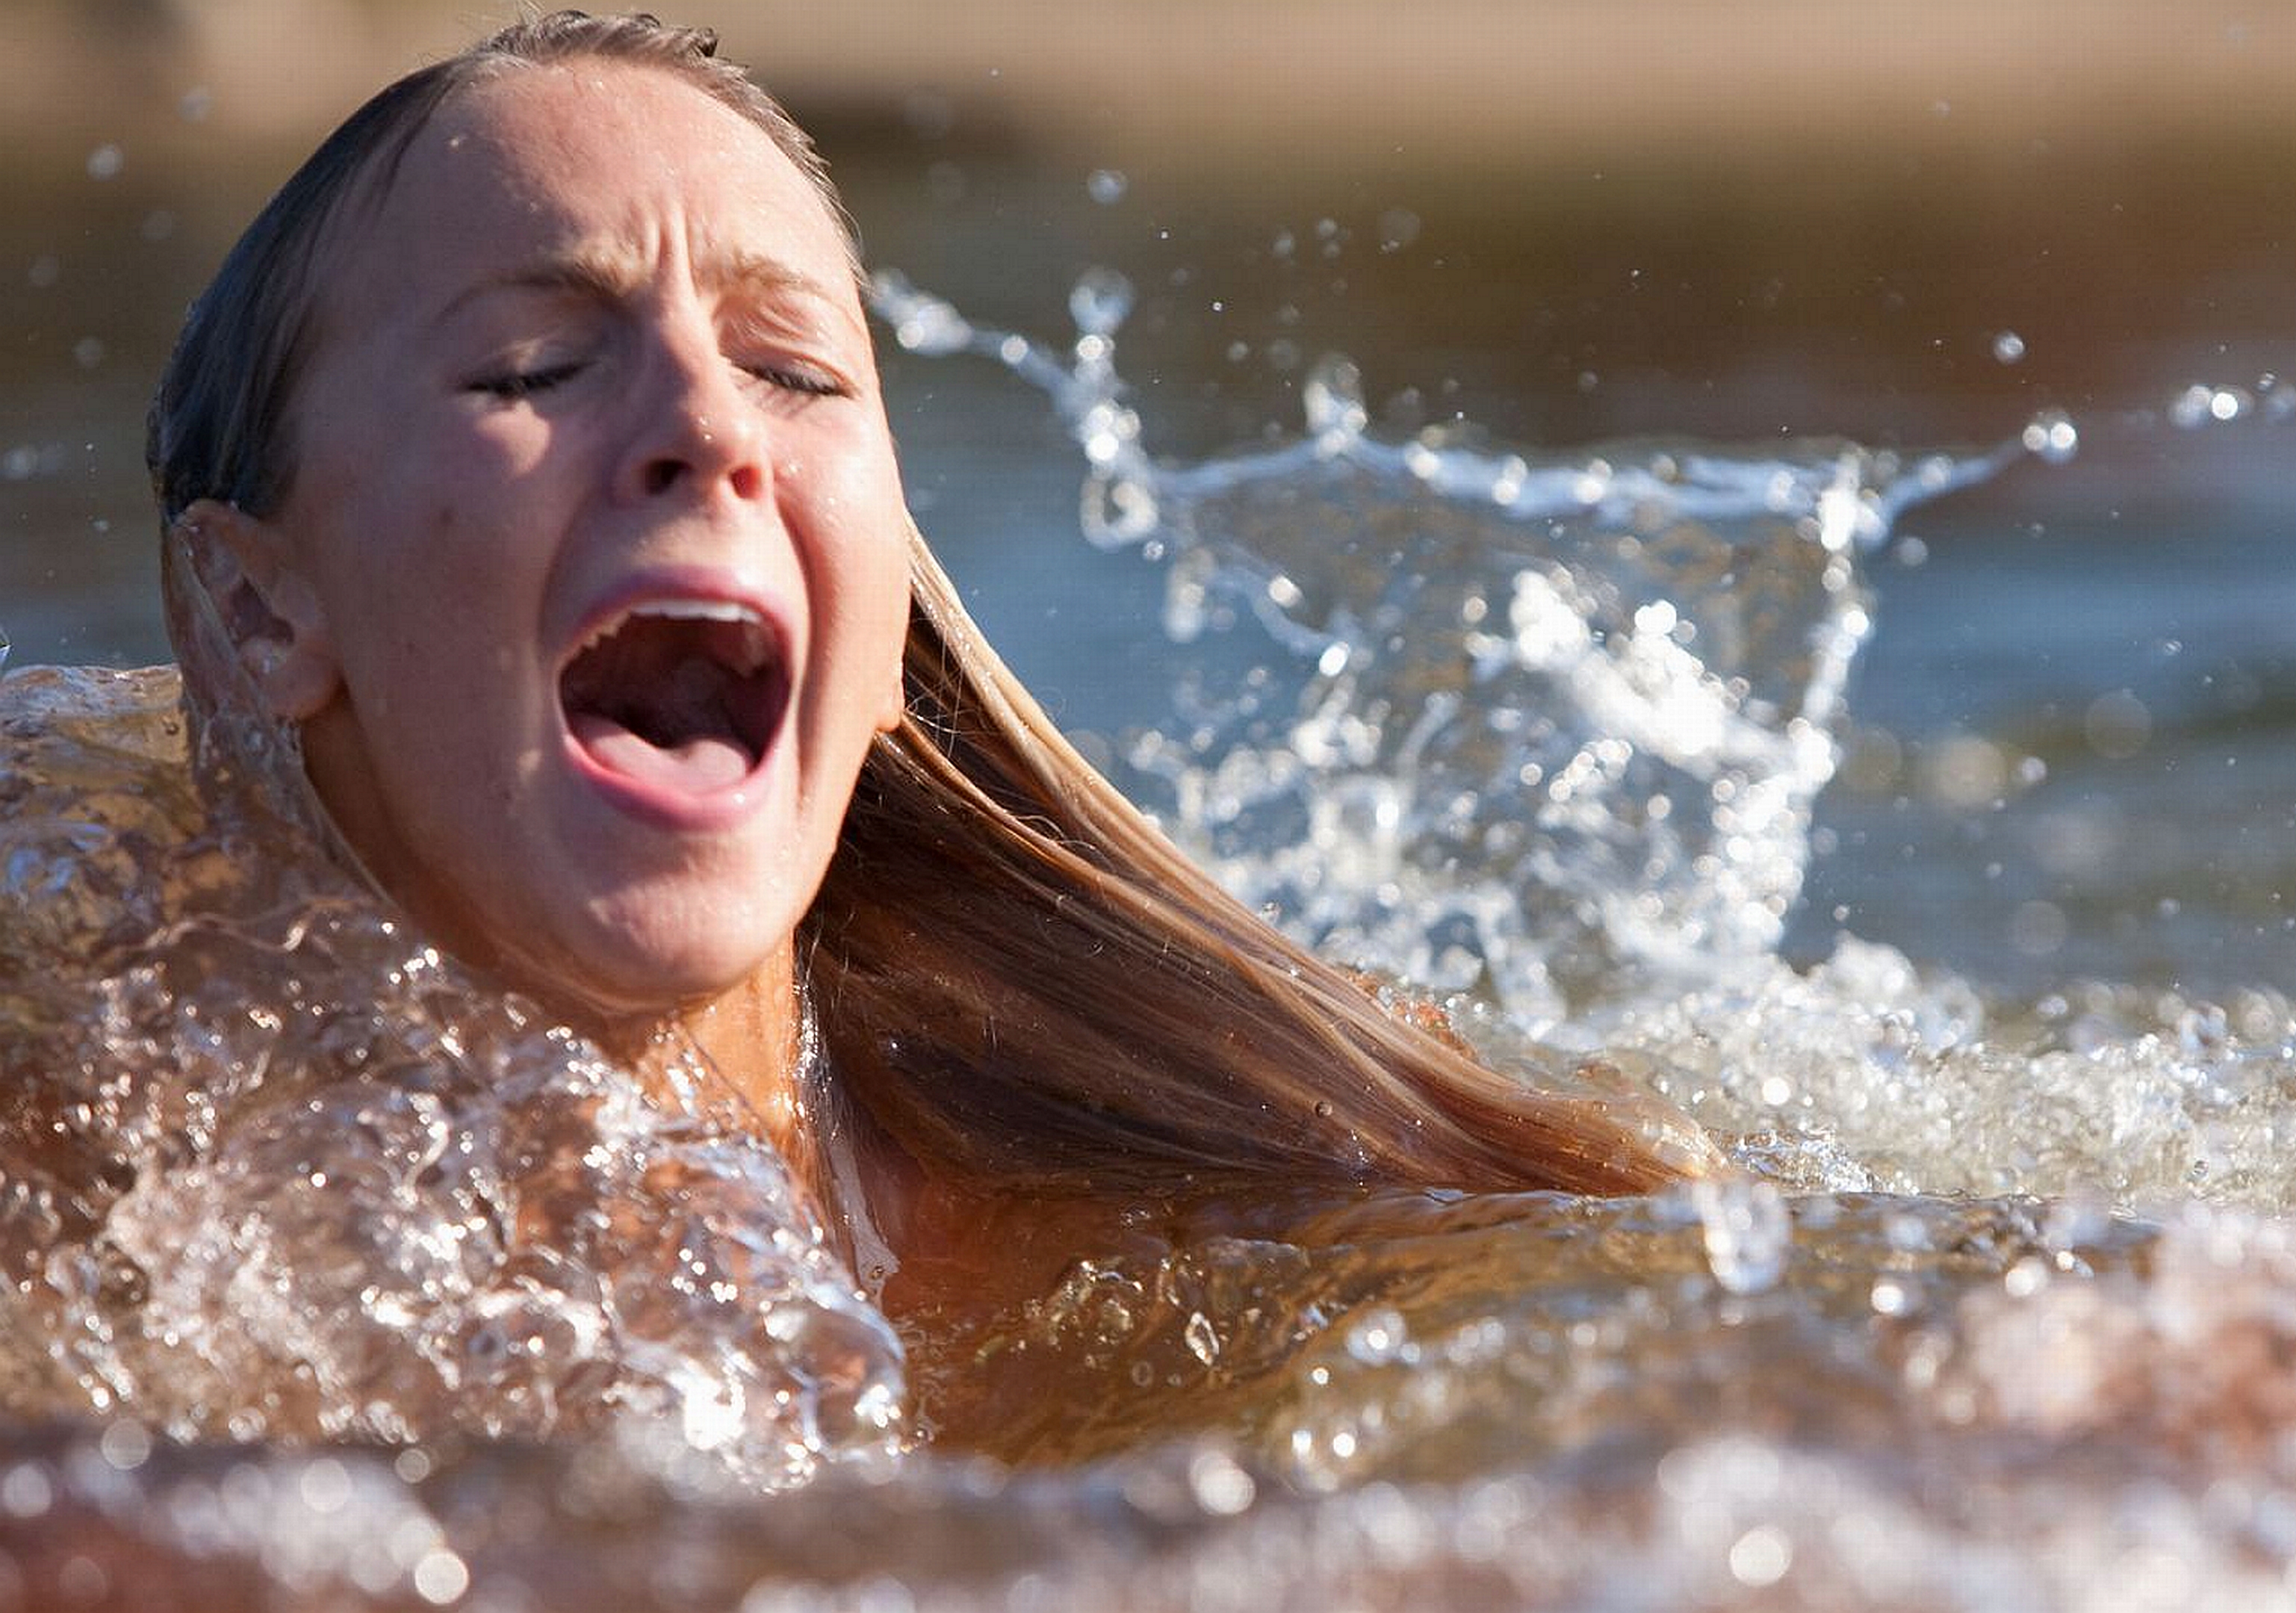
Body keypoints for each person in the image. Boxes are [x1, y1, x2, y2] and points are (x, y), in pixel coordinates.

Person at [135, 10, 1708, 1321]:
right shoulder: (107, 1191)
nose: (710, 427)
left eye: (796, 369)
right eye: (534, 366)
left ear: (876, 629)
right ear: (251, 614)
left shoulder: (1246, 1201)